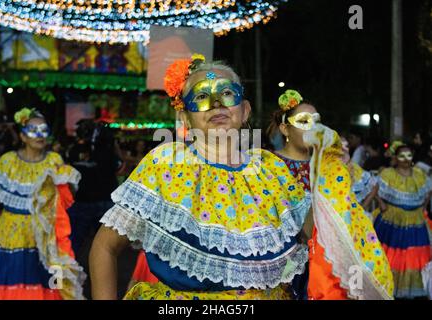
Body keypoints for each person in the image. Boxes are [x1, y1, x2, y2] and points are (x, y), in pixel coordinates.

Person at [89, 54, 312, 300]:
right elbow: (104, 247)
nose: (217, 104)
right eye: (202, 97)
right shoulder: (166, 165)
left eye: (227, 93)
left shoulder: (272, 169)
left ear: (245, 110)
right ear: (185, 117)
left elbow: (311, 242)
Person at [267, 89, 393, 300]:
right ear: (285, 129)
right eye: (304, 120)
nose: (313, 127)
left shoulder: (330, 168)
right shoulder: (266, 165)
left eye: (317, 121)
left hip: (327, 267)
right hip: (283, 264)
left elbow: (349, 214)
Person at [0, 107, 86, 300]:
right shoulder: (8, 161)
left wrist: (66, 181)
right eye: (33, 130)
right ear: (22, 137)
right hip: (9, 238)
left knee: (42, 286)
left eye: (43, 130)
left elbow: (65, 200)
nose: (39, 135)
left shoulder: (54, 161)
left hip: (42, 239)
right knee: (8, 285)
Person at [374, 144, 432, 299]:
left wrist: (424, 206)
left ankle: (411, 289)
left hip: (415, 220)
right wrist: (381, 203)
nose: (406, 160)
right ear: (395, 158)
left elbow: (428, 190)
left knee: (414, 256)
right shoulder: (388, 174)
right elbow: (373, 187)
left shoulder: (419, 174)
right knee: (393, 255)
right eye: (402, 156)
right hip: (392, 220)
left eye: (409, 155)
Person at [67, 119, 123, 257]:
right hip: (103, 201)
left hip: (81, 201)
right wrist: (115, 147)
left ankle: (70, 274)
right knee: (106, 245)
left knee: (74, 243)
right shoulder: (106, 151)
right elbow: (120, 167)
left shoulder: (72, 151)